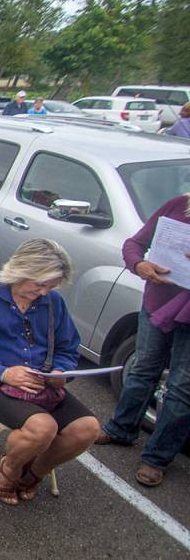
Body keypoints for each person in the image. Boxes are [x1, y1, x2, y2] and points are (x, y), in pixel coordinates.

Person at [0, 239, 99, 504]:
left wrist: (61, 371)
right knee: (42, 428)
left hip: (40, 383)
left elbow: (68, 347)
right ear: (20, 270)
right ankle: (11, 469)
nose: (44, 292)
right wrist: (2, 372)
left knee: (87, 429)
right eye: (39, 284)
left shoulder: (53, 302)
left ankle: (34, 473)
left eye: (50, 286)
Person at [96, 192, 190, 486]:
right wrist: (139, 265)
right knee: (142, 368)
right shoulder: (178, 205)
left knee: (182, 388)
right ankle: (121, 428)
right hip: (158, 303)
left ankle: (156, 458)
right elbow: (134, 244)